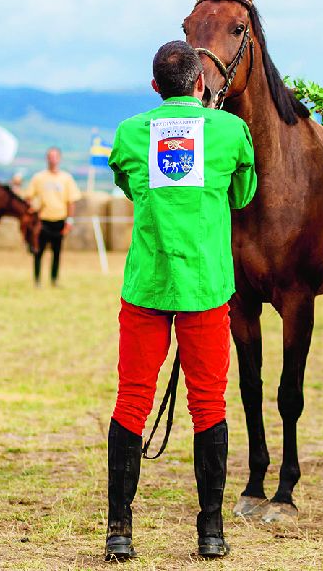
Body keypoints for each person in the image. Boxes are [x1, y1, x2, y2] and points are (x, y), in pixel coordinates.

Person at [103, 40, 256, 561]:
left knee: (131, 401)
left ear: (154, 88)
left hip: (146, 284)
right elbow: (242, 195)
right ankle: (210, 531)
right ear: (201, 85)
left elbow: (130, 186)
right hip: (206, 288)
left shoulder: (127, 134)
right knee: (209, 404)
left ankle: (119, 529)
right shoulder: (232, 132)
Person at [23, 148, 81, 286]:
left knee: (57, 253)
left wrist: (69, 220)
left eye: (55, 156)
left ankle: (54, 280)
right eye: (50, 156)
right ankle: (37, 280)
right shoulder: (39, 178)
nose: (52, 159)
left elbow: (71, 201)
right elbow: (28, 197)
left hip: (59, 220)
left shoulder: (66, 178)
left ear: (59, 158)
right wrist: (33, 211)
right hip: (42, 221)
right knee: (38, 251)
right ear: (46, 158)